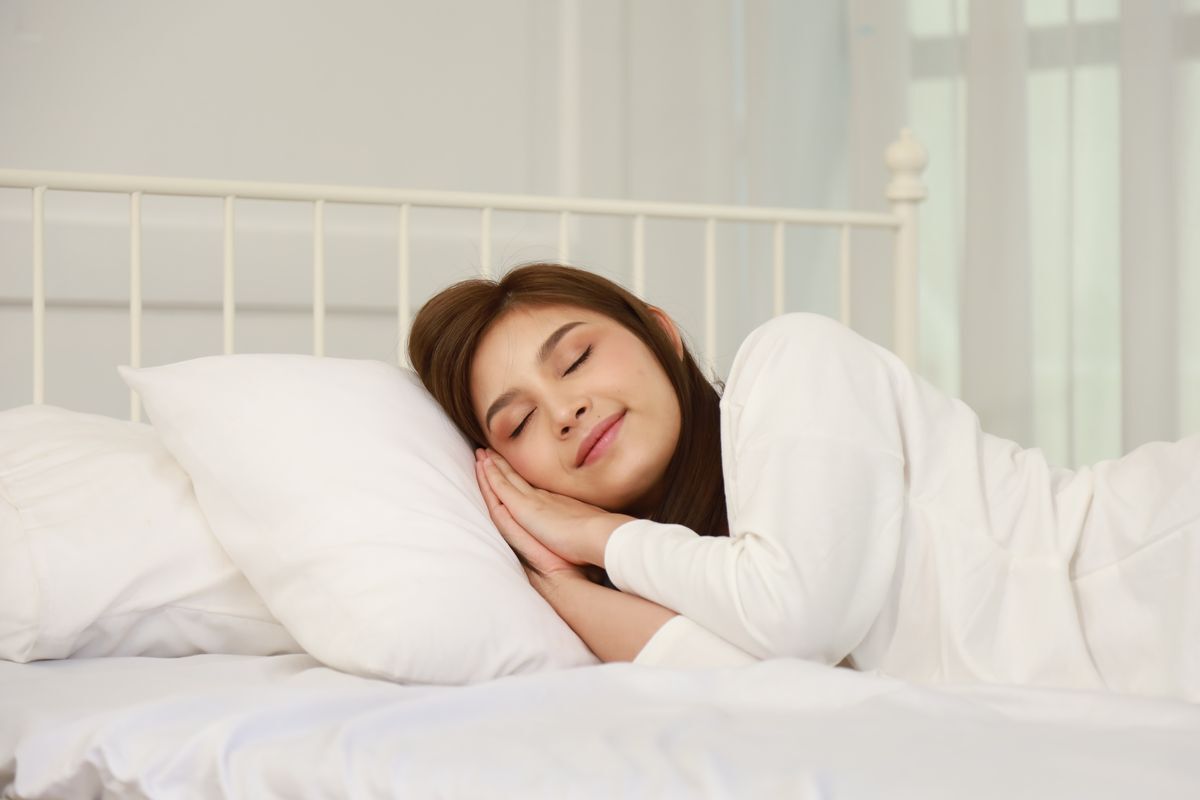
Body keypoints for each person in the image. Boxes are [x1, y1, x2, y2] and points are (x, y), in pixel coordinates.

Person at [408, 263, 1200, 701]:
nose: (568, 409)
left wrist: (595, 537)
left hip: (1151, 560)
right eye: (518, 425)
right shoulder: (701, 575)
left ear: (659, 330)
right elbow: (774, 694)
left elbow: (798, 617)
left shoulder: (791, 360)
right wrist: (560, 586)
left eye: (575, 359)